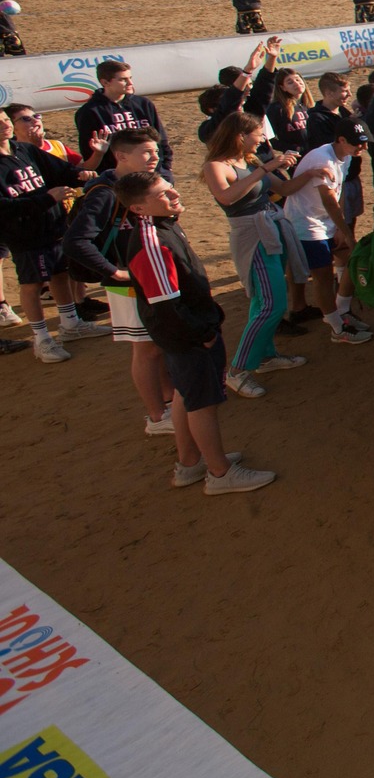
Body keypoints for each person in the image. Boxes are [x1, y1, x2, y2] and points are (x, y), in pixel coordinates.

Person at [114, 171, 277, 495]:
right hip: (188, 338)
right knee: (202, 403)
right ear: (138, 209)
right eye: (163, 194)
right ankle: (219, 473)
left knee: (186, 394)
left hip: (187, 333)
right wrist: (201, 333)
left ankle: (190, 463)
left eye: (170, 188)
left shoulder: (164, 224)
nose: (174, 195)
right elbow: (166, 306)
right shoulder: (151, 242)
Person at [200, 111, 322, 398]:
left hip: (272, 230)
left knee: (263, 301)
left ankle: (265, 356)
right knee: (271, 304)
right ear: (240, 136)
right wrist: (266, 169)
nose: (263, 141)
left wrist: (309, 173)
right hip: (252, 238)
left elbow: (283, 189)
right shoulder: (216, 165)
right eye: (259, 135)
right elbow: (227, 197)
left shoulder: (251, 161)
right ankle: (237, 371)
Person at [63, 127, 176, 434]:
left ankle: (169, 402)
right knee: (146, 347)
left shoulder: (142, 183)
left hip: (146, 273)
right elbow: (76, 241)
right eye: (147, 153)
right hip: (128, 281)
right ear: (122, 156)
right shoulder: (105, 192)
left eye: (155, 151)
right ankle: (156, 417)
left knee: (158, 343)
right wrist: (114, 272)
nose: (155, 157)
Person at [0, 105, 107, 363]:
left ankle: (71, 323)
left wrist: (81, 174)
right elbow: (3, 206)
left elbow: (60, 171)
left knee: (61, 272)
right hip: (24, 234)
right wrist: (47, 199)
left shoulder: (23, 149)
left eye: (4, 119)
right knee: (33, 283)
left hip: (53, 225)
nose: (4, 124)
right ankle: (41, 338)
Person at [284, 120, 374, 345]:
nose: (362, 149)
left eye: (364, 143)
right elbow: (329, 200)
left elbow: (339, 193)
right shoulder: (321, 159)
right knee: (323, 276)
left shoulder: (343, 157)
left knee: (347, 258)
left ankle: (342, 311)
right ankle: (337, 328)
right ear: (341, 140)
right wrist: (346, 232)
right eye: (358, 144)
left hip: (324, 221)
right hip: (306, 224)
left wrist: (339, 229)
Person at [74, 59, 170, 177]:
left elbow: (161, 139)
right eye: (123, 79)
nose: (130, 83)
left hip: (153, 173)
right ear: (105, 82)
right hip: (118, 177)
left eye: (130, 78)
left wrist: (165, 169)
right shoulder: (89, 112)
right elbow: (89, 151)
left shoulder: (143, 104)